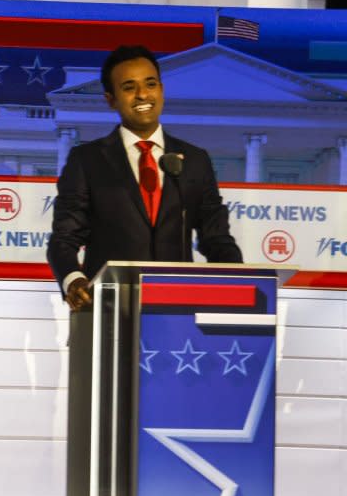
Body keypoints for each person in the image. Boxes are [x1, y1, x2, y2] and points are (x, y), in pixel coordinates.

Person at [47, 45, 242, 311]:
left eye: (150, 84)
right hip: (107, 312)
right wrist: (73, 279)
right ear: (111, 99)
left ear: (161, 90)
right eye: (129, 87)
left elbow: (216, 238)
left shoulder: (195, 160)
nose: (142, 95)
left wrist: (242, 280)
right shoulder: (87, 161)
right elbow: (64, 239)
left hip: (176, 316)